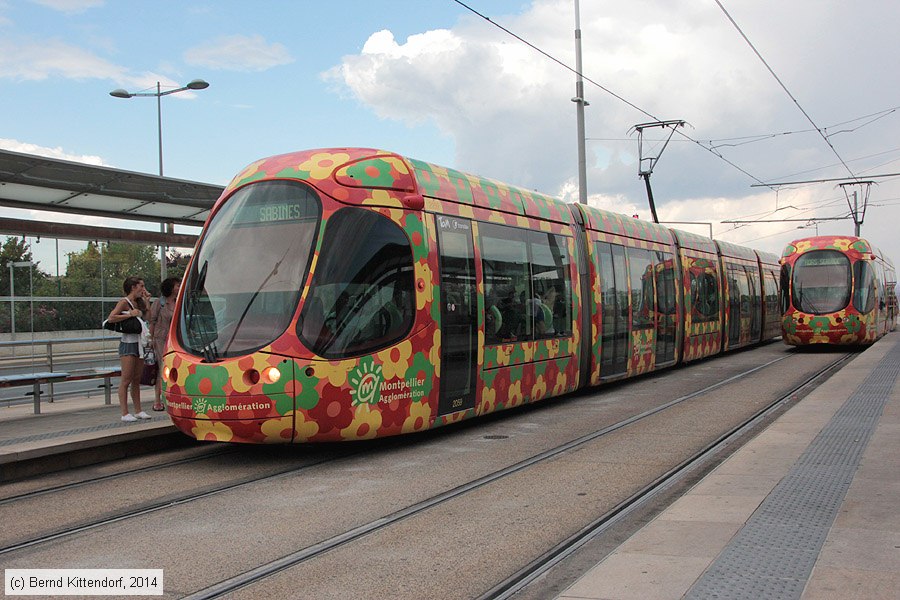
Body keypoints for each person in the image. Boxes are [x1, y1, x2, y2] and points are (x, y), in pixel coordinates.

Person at [108, 276, 151, 422]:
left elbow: (148, 318)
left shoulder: (139, 302)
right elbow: (111, 318)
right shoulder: (124, 302)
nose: (143, 289)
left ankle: (138, 410)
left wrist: (147, 302)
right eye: (141, 286)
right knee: (126, 379)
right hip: (128, 343)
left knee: (136, 379)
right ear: (133, 287)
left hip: (139, 343)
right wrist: (128, 316)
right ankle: (124, 412)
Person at [148, 277, 181, 411]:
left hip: (175, 339)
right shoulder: (159, 303)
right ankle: (158, 400)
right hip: (161, 338)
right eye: (177, 285)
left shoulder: (179, 302)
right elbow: (152, 321)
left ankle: (173, 398)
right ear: (171, 287)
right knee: (163, 368)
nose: (179, 287)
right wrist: (150, 339)